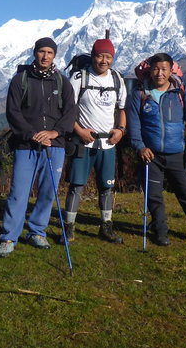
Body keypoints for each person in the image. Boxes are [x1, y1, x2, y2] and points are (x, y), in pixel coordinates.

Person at [126, 53, 186, 247]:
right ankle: (160, 232)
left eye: (164, 69)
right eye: (156, 68)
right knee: (154, 197)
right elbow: (133, 126)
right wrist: (140, 147)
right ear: (149, 70)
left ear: (171, 70)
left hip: (177, 154)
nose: (159, 73)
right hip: (150, 155)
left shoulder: (180, 92)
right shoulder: (139, 93)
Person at [0, 37, 77, 258]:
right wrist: (32, 134)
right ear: (35, 53)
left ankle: (36, 232)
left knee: (48, 191)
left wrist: (55, 132)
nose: (45, 56)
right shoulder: (20, 80)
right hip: (25, 145)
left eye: (50, 52)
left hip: (55, 145)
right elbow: (13, 113)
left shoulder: (62, 82)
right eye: (42, 52)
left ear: (54, 55)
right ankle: (9, 237)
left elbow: (70, 113)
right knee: (18, 193)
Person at [61, 38, 127, 244]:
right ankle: (69, 227)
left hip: (108, 143)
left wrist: (121, 131)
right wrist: (79, 131)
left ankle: (106, 226)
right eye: (100, 56)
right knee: (77, 186)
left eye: (108, 57)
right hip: (83, 142)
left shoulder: (116, 79)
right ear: (93, 55)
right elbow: (67, 110)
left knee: (107, 186)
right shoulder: (79, 78)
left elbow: (122, 109)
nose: (104, 60)